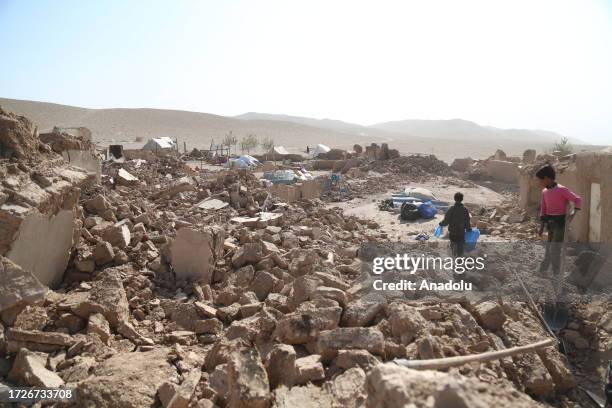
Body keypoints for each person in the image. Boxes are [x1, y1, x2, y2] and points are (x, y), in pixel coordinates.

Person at [536, 164, 582, 275]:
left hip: (560, 223)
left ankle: (557, 273)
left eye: (540, 180)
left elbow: (577, 199)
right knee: (549, 248)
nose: (540, 183)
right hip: (550, 223)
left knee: (554, 249)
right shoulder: (544, 192)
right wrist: (541, 227)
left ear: (546, 178)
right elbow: (544, 209)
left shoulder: (561, 190)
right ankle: (544, 270)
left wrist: (573, 214)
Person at [439, 192, 471, 257]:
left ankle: (454, 257)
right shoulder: (465, 210)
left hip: (453, 233)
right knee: (460, 247)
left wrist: (441, 224)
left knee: (453, 245)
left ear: (454, 199)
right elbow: (467, 221)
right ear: (462, 199)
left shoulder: (451, 209)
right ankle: (459, 259)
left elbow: (446, 220)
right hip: (461, 233)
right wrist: (468, 229)